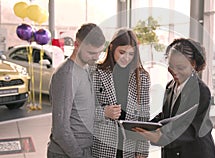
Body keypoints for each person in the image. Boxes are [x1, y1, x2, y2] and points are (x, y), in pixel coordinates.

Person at [134, 38, 215, 158]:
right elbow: (166, 116)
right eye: (171, 66)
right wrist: (145, 126)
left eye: (181, 67)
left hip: (195, 152)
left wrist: (161, 138)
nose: (174, 72)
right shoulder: (170, 86)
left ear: (193, 64)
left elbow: (192, 129)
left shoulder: (201, 91)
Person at [47, 23, 106, 158]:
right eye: (91, 52)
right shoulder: (66, 74)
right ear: (77, 45)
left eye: (99, 52)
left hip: (82, 149)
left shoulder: (85, 68)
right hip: (67, 153)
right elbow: (60, 129)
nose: (96, 57)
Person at [92, 28, 150, 158]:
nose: (126, 58)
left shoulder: (142, 77)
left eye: (131, 54)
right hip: (102, 146)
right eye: (122, 52)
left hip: (129, 147)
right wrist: (104, 112)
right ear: (112, 47)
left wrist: (142, 151)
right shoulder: (96, 73)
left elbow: (144, 118)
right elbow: (84, 110)